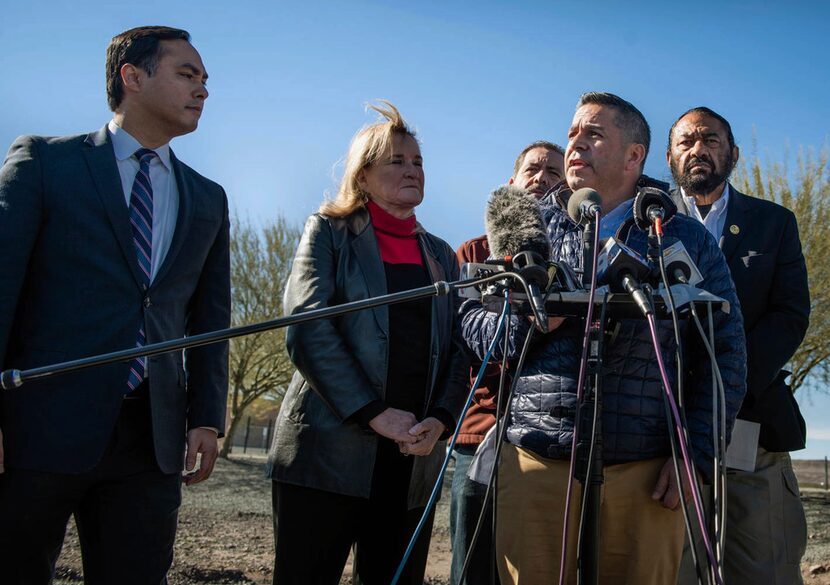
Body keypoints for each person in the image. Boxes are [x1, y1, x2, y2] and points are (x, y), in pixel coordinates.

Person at [460, 92, 747, 585]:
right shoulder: (527, 227)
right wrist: (530, 320)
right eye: (572, 134)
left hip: (647, 470)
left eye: (593, 135)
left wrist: (696, 456)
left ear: (635, 156)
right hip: (536, 461)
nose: (575, 145)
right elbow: (471, 323)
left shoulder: (681, 235)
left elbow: (725, 352)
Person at [0, 26, 230, 584]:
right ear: (132, 76)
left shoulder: (208, 196)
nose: (203, 89)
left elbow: (209, 318)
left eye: (205, 80)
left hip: (151, 440)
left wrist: (206, 417)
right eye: (187, 74)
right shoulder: (44, 163)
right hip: (39, 427)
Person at [266, 101, 468, 585]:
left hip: (410, 464)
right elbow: (308, 327)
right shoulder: (329, 232)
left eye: (418, 161)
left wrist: (440, 419)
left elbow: (461, 348)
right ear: (362, 174)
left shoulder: (441, 254)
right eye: (397, 160)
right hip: (325, 459)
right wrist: (374, 411)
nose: (412, 170)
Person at [668, 107, 810, 585]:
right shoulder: (644, 224)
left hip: (750, 419)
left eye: (710, 139)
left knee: (761, 564)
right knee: (672, 567)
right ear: (669, 157)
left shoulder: (773, 223)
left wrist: (728, 386)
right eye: (686, 141)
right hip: (662, 430)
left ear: (733, 153)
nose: (698, 149)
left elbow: (790, 315)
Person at [450, 140, 564, 585]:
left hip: (550, 438)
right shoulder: (474, 253)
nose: (543, 178)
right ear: (512, 183)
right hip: (481, 428)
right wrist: (539, 324)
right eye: (533, 169)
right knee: (473, 567)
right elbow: (469, 335)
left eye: (555, 172)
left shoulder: (578, 252)